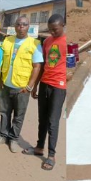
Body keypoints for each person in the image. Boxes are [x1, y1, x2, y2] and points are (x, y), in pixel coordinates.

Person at [0, 17, 43, 153]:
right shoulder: (7, 41)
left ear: (28, 27)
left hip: (22, 88)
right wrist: (1, 79)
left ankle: (13, 139)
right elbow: (1, 60)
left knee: (19, 115)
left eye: (24, 25)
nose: (21, 27)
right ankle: (3, 136)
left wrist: (29, 86)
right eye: (19, 24)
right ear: (15, 26)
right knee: (4, 112)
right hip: (5, 85)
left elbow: (37, 67)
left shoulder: (34, 44)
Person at [22, 15, 67, 171]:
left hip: (59, 87)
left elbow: (72, 62)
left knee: (52, 122)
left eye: (55, 29)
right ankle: (39, 147)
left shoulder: (67, 42)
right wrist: (35, 86)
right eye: (50, 30)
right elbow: (41, 65)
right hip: (45, 84)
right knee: (42, 118)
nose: (53, 32)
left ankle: (52, 155)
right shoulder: (47, 42)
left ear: (63, 25)